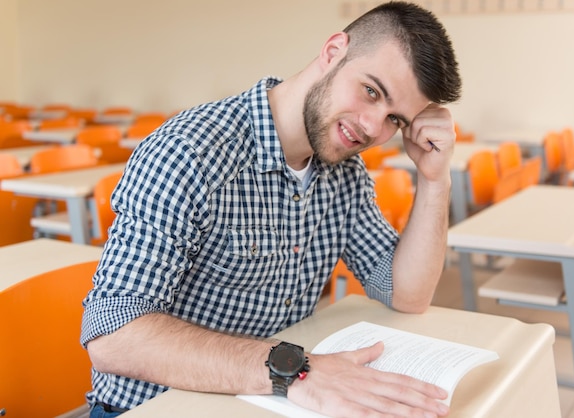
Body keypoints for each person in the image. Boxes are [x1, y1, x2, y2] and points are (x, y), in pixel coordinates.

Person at [81, 1, 462, 417]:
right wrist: (295, 371)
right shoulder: (189, 152)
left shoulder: (344, 174)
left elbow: (405, 293)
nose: (373, 128)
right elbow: (112, 334)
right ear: (333, 52)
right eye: (371, 91)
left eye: (395, 119)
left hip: (262, 399)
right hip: (156, 407)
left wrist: (434, 178)